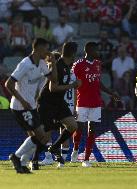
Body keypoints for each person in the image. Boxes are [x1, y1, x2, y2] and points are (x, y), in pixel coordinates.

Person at [5, 38, 54, 173]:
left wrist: (53, 63)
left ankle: (21, 163)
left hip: (31, 106)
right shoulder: (25, 64)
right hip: (20, 107)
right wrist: (22, 101)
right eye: (45, 48)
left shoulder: (43, 64)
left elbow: (53, 80)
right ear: (37, 48)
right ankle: (17, 157)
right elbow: (8, 84)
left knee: (40, 137)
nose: (47, 51)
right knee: (40, 135)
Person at [70, 42, 119, 167]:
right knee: (79, 128)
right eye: (96, 50)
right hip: (82, 102)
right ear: (90, 50)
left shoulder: (98, 64)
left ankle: (86, 159)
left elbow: (98, 82)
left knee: (92, 130)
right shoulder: (78, 64)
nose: (98, 52)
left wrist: (110, 93)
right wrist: (72, 102)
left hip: (96, 102)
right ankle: (75, 149)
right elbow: (72, 82)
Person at [37, 42, 81, 168]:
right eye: (75, 53)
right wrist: (73, 85)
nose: (76, 56)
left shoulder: (68, 66)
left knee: (73, 125)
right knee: (46, 131)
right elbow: (53, 88)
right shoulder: (58, 65)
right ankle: (34, 158)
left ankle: (54, 147)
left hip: (59, 102)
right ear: (72, 54)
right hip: (47, 102)